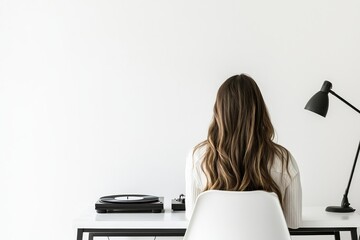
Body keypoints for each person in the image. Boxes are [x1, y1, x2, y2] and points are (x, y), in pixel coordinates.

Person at [185, 74, 302, 229]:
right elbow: (293, 223)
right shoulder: (284, 160)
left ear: (219, 112)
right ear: (260, 110)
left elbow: (193, 219)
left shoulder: (199, 157)